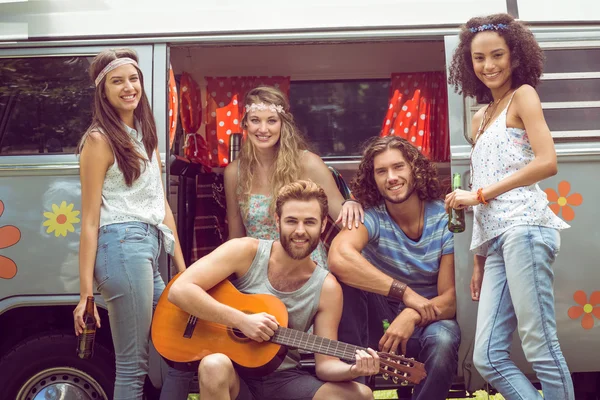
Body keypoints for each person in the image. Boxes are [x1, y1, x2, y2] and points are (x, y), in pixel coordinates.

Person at [446, 13, 574, 400]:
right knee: (486, 356)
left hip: (526, 229)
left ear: (515, 56)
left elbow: (546, 162)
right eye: (479, 58)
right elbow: (485, 179)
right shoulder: (480, 117)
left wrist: (478, 196)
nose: (488, 66)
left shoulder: (524, 96)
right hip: (497, 241)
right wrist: (480, 258)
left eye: (497, 55)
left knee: (538, 343)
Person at [168, 180, 379, 400]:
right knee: (213, 364)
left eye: (309, 222)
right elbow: (179, 290)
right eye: (291, 221)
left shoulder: (327, 287)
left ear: (323, 225)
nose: (300, 231)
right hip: (235, 375)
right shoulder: (245, 252)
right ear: (277, 221)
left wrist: (352, 370)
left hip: (285, 380)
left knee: (360, 395)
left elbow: (325, 365)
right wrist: (241, 321)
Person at [73, 48, 187, 399]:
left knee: (177, 351)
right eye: (117, 81)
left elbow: (162, 208)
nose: (128, 87)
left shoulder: (145, 135)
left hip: (148, 248)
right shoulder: (98, 140)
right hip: (121, 247)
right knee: (133, 367)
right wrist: (85, 294)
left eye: (133, 78)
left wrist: (184, 271)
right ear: (103, 91)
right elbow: (90, 220)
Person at [328, 136, 460, 400]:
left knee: (443, 340)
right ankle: (355, 390)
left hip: (428, 317)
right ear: (372, 179)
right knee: (344, 282)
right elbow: (339, 257)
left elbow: (450, 300)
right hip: (380, 318)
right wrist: (405, 294)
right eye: (381, 171)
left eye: (398, 167)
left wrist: (411, 313)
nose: (391, 177)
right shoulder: (372, 217)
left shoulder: (444, 220)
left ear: (414, 169)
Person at [224, 86, 364, 268]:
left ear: (283, 124)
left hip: (306, 266)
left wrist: (350, 204)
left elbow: (346, 223)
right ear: (245, 124)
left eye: (272, 120)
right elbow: (235, 236)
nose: (263, 129)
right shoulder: (234, 172)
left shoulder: (309, 163)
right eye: (255, 120)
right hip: (257, 271)